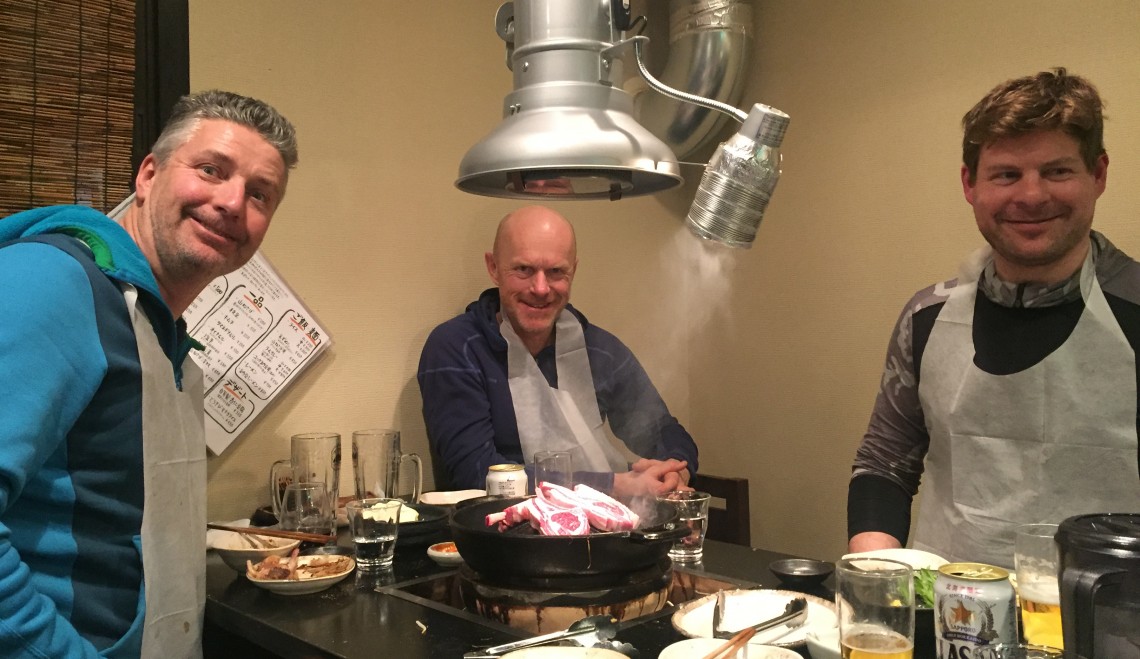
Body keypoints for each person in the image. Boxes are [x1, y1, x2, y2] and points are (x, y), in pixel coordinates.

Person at [0, 90, 297, 657]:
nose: (233, 202)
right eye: (211, 170)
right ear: (148, 174)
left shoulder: (167, 342)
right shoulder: (53, 283)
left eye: (260, 194)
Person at [847, 68, 1140, 568]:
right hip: (946, 605)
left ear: (1099, 175)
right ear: (970, 184)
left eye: (1057, 171)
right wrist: (877, 578)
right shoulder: (926, 317)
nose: (1031, 196)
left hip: (1108, 609)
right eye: (1006, 175)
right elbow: (884, 464)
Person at [417, 205, 699, 502]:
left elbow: (663, 429)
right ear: (493, 268)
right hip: (499, 526)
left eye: (556, 272)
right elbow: (474, 472)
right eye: (524, 269)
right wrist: (612, 485)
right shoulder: (456, 348)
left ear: (573, 271)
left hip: (602, 522)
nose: (541, 288)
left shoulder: (598, 349)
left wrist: (674, 471)